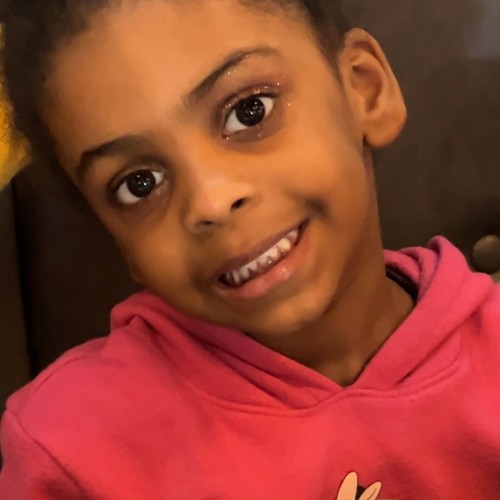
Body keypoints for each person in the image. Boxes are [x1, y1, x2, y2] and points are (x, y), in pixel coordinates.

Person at [0, 0, 498, 498]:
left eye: (248, 112)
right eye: (139, 184)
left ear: (364, 90)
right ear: (120, 242)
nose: (211, 201)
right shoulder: (72, 448)